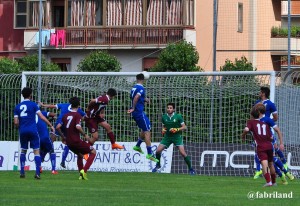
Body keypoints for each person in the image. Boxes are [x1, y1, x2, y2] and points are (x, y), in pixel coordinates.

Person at [14, 87, 55, 179]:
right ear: (30, 95)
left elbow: (16, 122)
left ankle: (22, 172)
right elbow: (42, 117)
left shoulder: (17, 107)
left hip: (23, 131)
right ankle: (37, 173)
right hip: (33, 130)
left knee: (23, 150)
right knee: (36, 151)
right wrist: (50, 125)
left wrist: (19, 128)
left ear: (22, 95)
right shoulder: (33, 105)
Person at [56, 97, 96, 180]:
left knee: (80, 155)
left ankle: (81, 176)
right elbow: (78, 127)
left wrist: (63, 136)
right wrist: (85, 135)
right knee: (93, 152)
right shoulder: (77, 115)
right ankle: (84, 171)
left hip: (69, 143)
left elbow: (58, 127)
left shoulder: (65, 115)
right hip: (75, 140)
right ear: (78, 105)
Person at [253, 86, 288, 179]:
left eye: (260, 92)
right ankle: (258, 170)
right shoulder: (256, 103)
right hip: (258, 132)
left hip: (268, 132)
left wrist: (267, 121)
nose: (259, 93)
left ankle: (285, 166)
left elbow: (276, 117)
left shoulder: (271, 104)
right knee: (258, 151)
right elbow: (253, 116)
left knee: (273, 151)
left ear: (263, 93)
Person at [40, 100, 86, 168]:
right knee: (68, 143)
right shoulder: (78, 110)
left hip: (59, 124)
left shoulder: (64, 105)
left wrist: (44, 105)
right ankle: (63, 161)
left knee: (51, 141)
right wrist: (82, 119)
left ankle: (42, 157)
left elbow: (54, 106)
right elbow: (85, 117)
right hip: (68, 127)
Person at [255, 103, 294, 183]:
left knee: (271, 160)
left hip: (269, 143)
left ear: (258, 111)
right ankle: (284, 175)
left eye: (256, 109)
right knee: (270, 162)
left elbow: (278, 130)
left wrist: (281, 143)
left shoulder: (267, 120)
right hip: (261, 144)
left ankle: (285, 174)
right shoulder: (255, 121)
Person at [152, 103, 195, 175]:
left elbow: (185, 127)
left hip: (176, 137)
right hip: (167, 137)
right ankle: (158, 165)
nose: (169, 109)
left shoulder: (178, 116)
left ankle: (191, 169)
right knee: (158, 151)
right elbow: (164, 127)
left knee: (183, 153)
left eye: (170, 108)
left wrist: (176, 129)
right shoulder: (164, 117)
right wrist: (163, 130)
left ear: (174, 109)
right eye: (168, 108)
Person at [241, 106, 279, 187]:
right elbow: (271, 137)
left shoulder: (250, 122)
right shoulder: (264, 123)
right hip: (269, 146)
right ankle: (274, 182)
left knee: (264, 163)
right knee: (271, 164)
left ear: (252, 115)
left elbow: (247, 130)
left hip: (261, 147)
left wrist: (243, 135)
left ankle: (268, 181)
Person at [127, 73, 158, 162]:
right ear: (143, 79)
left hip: (136, 113)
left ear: (136, 79)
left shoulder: (134, 88)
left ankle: (137, 146)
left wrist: (145, 100)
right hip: (138, 113)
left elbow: (136, 97)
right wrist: (133, 108)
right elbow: (136, 97)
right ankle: (150, 154)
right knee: (148, 131)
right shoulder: (141, 88)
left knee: (144, 129)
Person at [37, 110, 58, 175]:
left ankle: (39, 167)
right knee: (51, 150)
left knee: (39, 152)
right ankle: (53, 170)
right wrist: (53, 117)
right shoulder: (42, 113)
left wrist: (50, 119)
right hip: (45, 137)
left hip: (37, 138)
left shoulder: (31, 117)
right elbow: (53, 114)